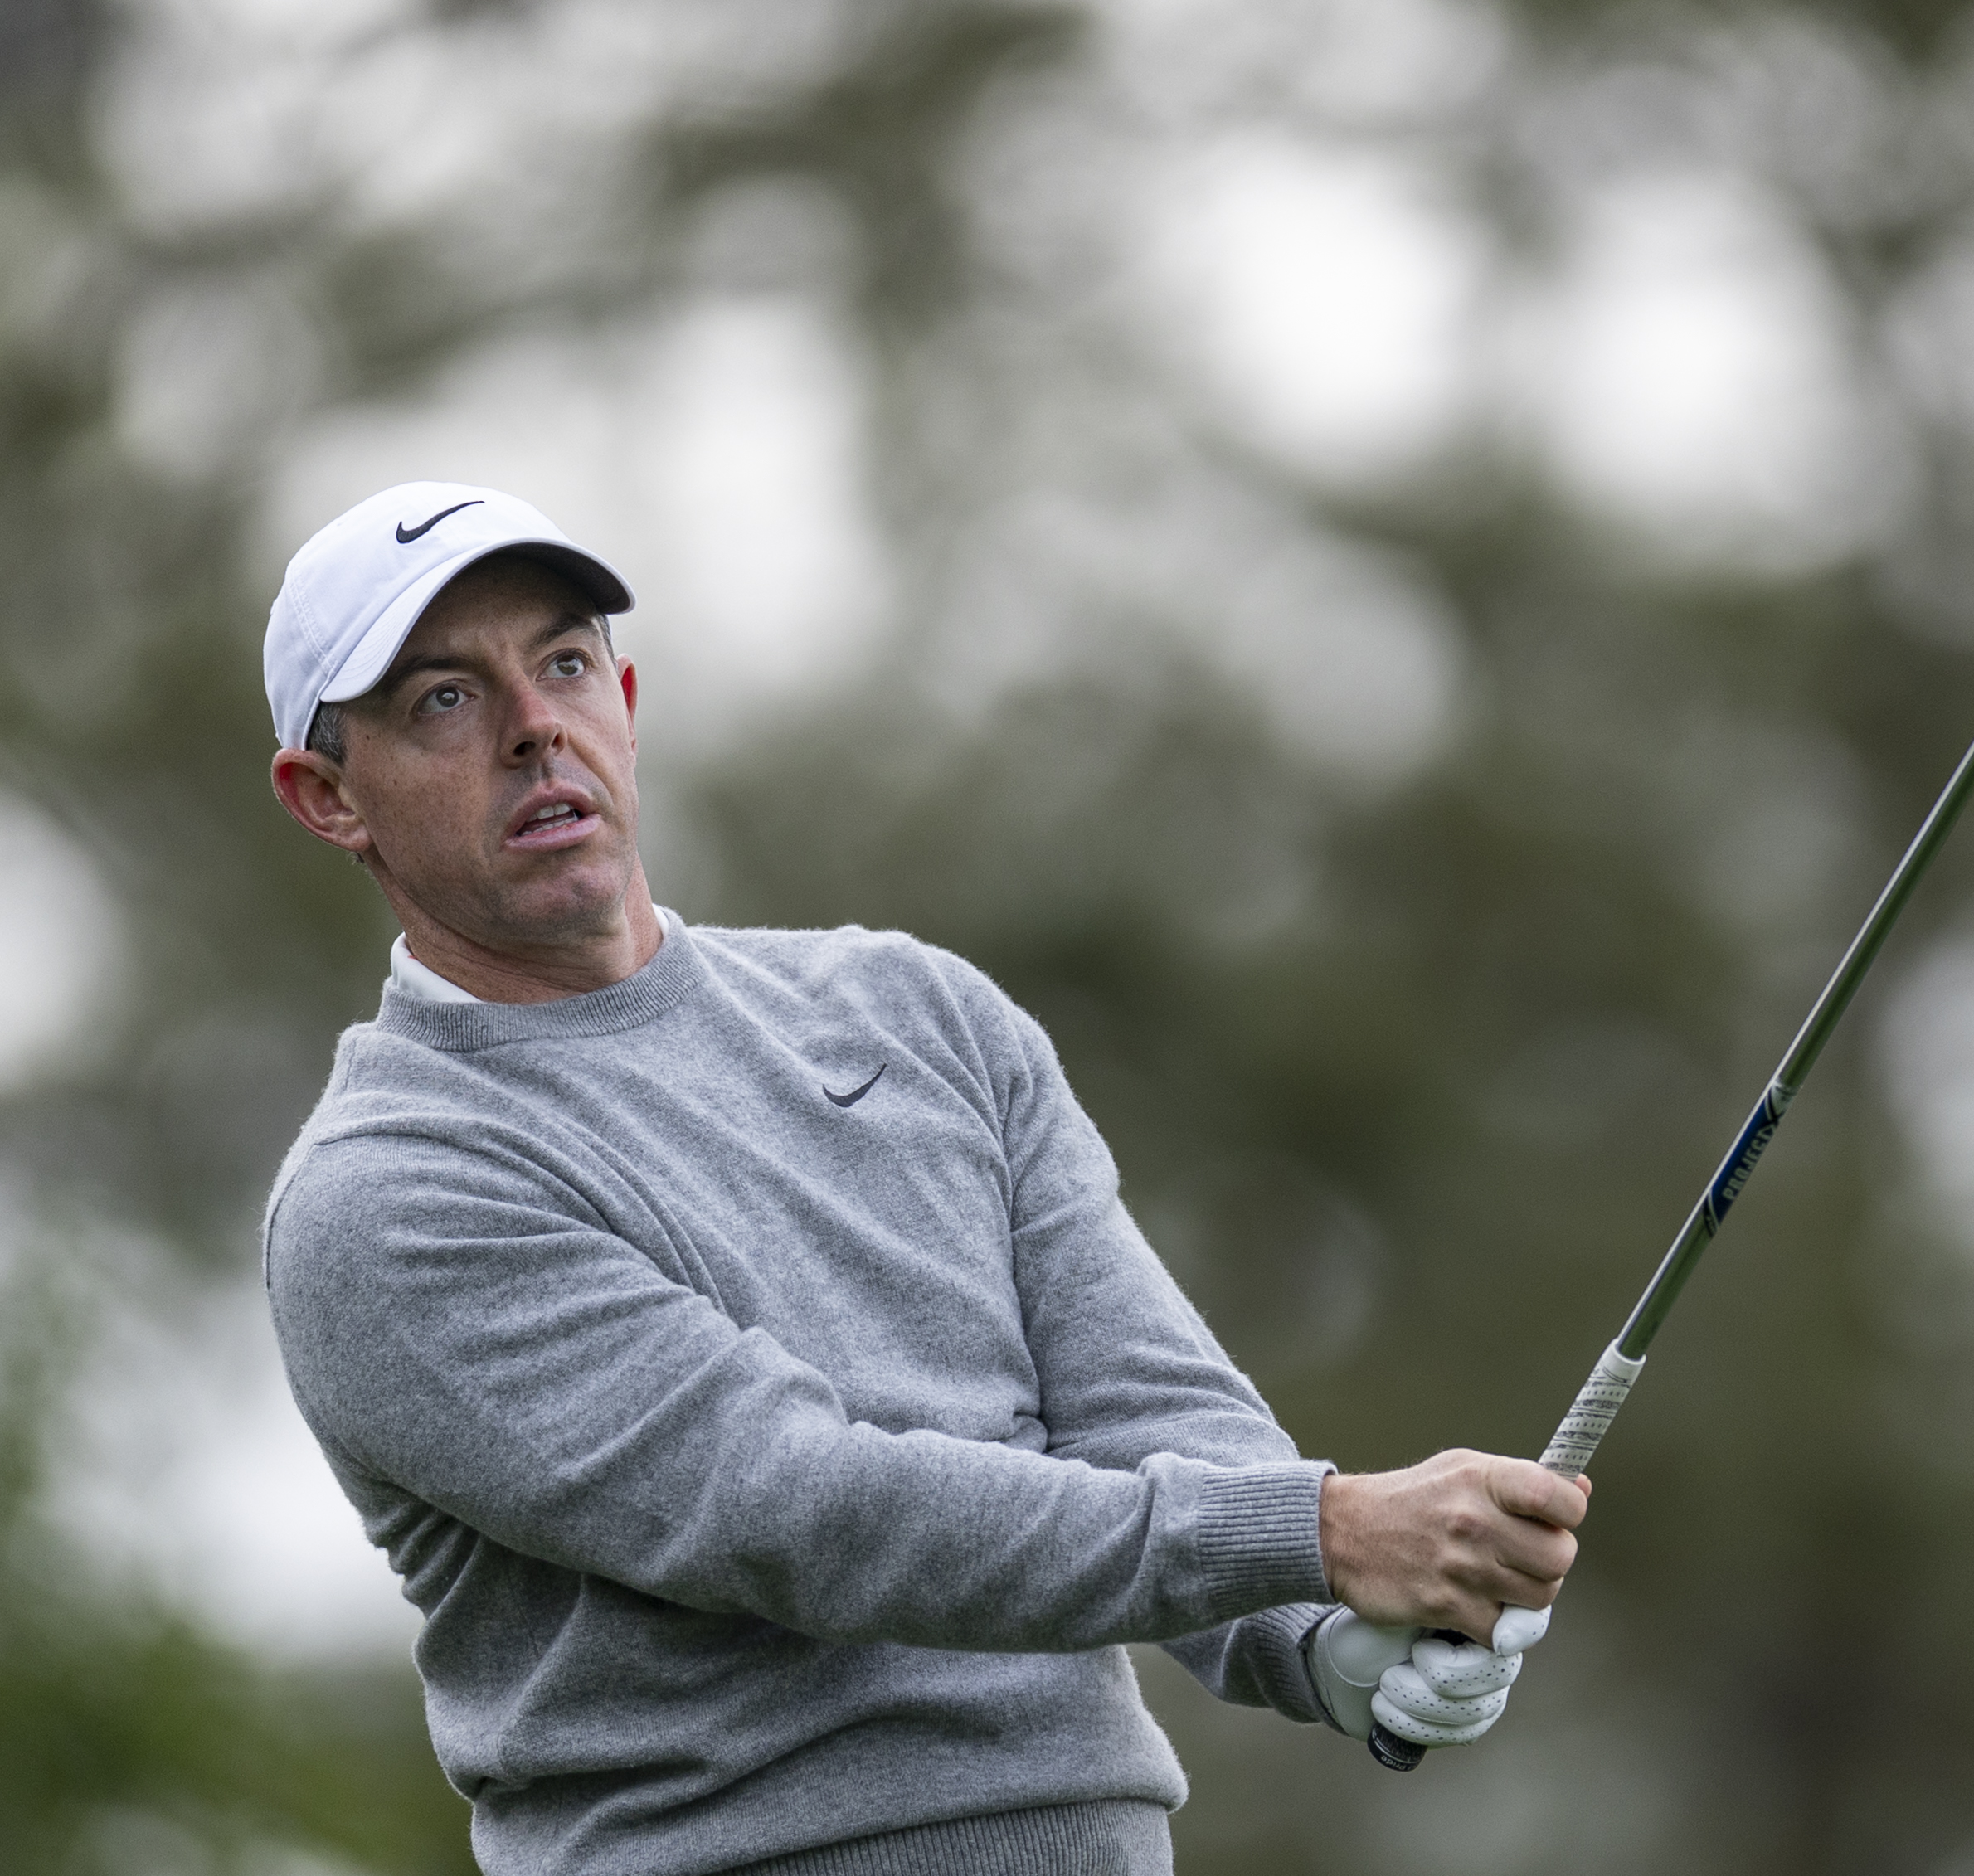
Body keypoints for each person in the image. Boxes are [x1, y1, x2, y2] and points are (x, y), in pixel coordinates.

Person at [257, 483, 1588, 1876]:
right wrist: (1314, 1532)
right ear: (328, 797)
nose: (537, 725)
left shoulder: (916, 1013)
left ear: (627, 701)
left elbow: (1142, 1407)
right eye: (444, 702)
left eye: (566, 661)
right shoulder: (386, 1196)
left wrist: (1324, 1645)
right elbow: (806, 1512)